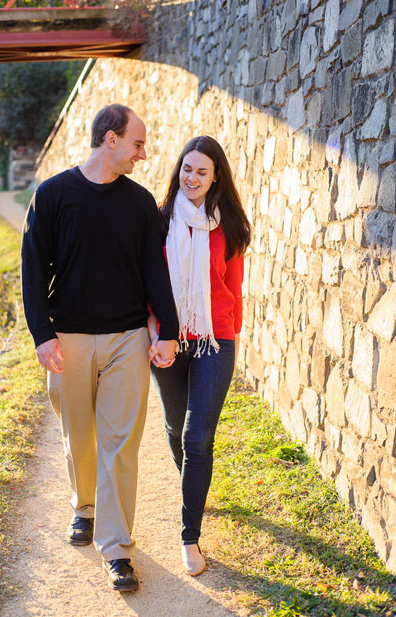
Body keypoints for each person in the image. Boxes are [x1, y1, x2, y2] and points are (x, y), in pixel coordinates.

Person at [21, 104, 180, 592]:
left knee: (120, 447)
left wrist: (168, 330)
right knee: (79, 437)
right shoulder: (51, 195)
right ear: (110, 140)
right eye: (137, 143)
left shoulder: (139, 203)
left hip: (127, 340)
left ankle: (117, 550)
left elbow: (155, 271)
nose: (144, 153)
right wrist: (42, 335)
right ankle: (83, 506)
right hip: (67, 339)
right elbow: (32, 268)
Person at [147, 135, 251, 576]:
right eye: (186, 169)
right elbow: (147, 281)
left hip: (214, 341)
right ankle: (193, 485)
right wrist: (156, 331)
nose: (192, 177)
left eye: (202, 172)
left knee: (197, 437)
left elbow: (233, 288)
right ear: (178, 172)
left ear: (216, 177)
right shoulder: (158, 221)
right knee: (175, 427)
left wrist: (231, 336)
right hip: (168, 339)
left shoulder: (230, 227)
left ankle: (190, 536)